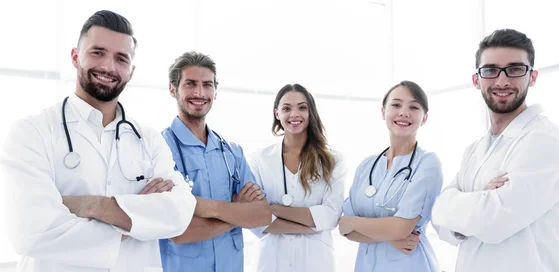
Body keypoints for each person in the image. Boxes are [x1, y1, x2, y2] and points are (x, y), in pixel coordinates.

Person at [0, 10, 197, 272]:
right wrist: (139, 222)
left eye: (121, 58)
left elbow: (179, 212)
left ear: (131, 71)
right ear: (75, 56)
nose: (108, 67)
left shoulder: (148, 139)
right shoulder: (32, 132)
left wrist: (90, 205)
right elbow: (32, 230)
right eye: (97, 52)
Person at [431, 29, 559, 272]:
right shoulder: (475, 149)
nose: (502, 81)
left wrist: (457, 204)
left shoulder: (545, 142)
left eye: (515, 69)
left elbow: (492, 223)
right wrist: (477, 201)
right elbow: (439, 220)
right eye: (490, 70)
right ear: (476, 79)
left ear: (532, 77)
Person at [159, 51, 272, 272]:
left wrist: (202, 207)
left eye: (207, 85)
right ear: (173, 89)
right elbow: (180, 232)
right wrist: (238, 212)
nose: (200, 92)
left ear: (215, 91)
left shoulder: (232, 152)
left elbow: (262, 215)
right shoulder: (160, 149)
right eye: (190, 84)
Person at [340, 81, 443, 272]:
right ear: (383, 112)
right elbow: (345, 230)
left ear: (424, 118)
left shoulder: (427, 163)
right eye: (396, 105)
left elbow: (400, 229)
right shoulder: (367, 165)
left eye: (414, 107)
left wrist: (354, 222)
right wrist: (389, 237)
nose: (404, 112)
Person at [248, 84, 347, 272]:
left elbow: (330, 216)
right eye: (287, 108)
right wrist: (310, 225)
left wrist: (274, 208)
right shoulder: (260, 159)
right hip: (272, 260)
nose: (294, 114)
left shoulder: (333, 160)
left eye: (302, 107)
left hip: (315, 261)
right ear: (277, 113)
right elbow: (254, 217)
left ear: (311, 112)